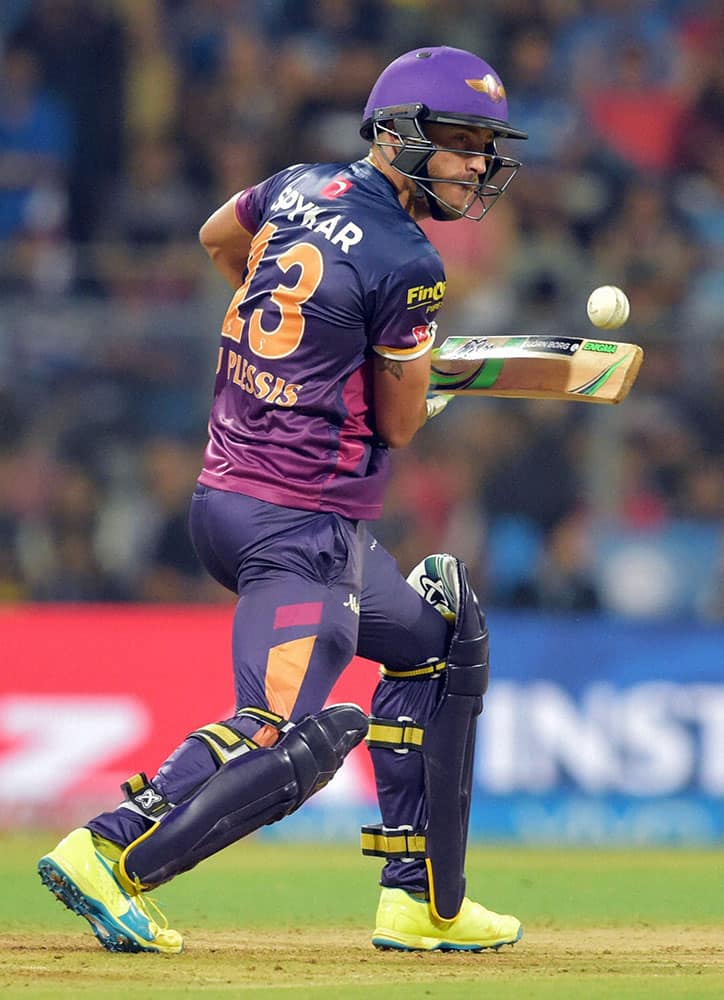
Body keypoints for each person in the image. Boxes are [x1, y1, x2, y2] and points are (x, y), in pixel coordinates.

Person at [39, 46, 528, 955]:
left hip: (242, 501)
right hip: (295, 525)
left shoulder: (296, 185)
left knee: (436, 644)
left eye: (485, 144)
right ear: (400, 134)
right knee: (275, 730)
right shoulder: (411, 260)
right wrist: (436, 377)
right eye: (462, 141)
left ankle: (421, 899)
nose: (477, 163)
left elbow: (216, 239)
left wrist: (314, 343)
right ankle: (109, 852)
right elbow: (403, 420)